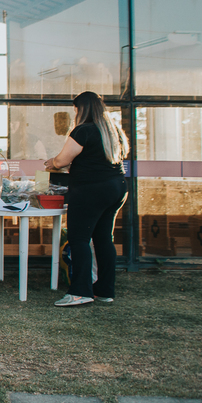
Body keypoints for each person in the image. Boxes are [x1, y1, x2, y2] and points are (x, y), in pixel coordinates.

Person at [44, 91, 129, 307]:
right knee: (104, 239)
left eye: (76, 110)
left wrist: (52, 162)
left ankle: (80, 292)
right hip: (116, 187)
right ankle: (104, 290)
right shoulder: (113, 130)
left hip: (91, 190)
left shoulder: (83, 130)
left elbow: (62, 160)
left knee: (79, 239)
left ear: (81, 109)